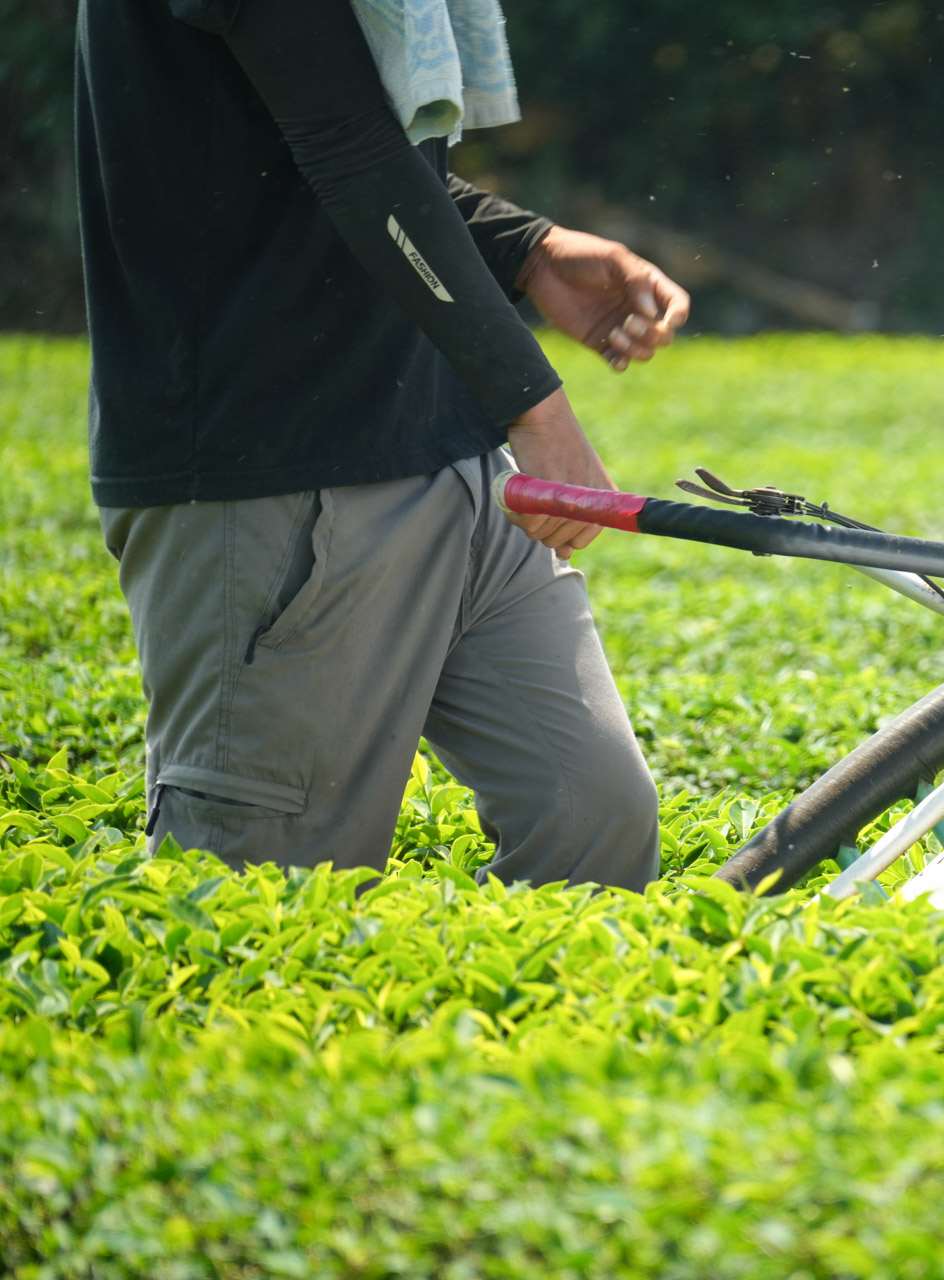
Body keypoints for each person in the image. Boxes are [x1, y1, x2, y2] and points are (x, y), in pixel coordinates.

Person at [74, 0, 687, 891]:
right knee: (262, 912)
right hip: (278, 481)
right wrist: (538, 408)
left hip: (453, 457)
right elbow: (349, 153)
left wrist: (527, 249)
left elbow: (343, 154)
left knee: (592, 821)